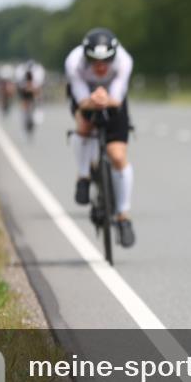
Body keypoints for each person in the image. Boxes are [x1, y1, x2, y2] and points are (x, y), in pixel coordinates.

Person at [65, 27, 136, 248]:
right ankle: (83, 176)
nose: (100, 66)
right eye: (94, 61)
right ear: (85, 56)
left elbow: (117, 95)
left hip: (114, 100)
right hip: (86, 96)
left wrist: (107, 99)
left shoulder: (124, 61)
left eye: (106, 61)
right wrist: (90, 101)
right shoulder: (73, 62)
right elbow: (79, 97)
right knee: (84, 125)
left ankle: (123, 216)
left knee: (117, 156)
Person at [16, 59, 46, 132]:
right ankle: (24, 114)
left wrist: (34, 92)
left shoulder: (38, 73)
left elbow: (39, 87)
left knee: (37, 95)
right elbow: (20, 87)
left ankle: (37, 107)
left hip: (34, 88)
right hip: (24, 89)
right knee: (24, 101)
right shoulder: (21, 73)